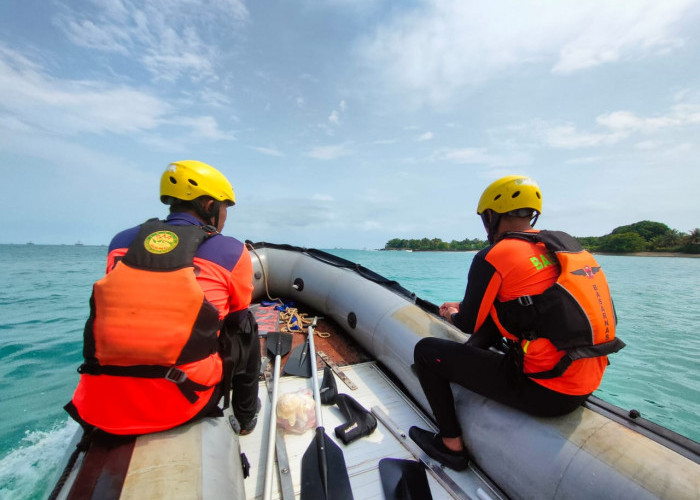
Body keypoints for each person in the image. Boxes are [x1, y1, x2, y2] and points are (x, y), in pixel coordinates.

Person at [409, 175, 624, 471]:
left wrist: (450, 314)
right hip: (587, 381)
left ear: (491, 217)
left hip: (546, 391)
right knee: (496, 326)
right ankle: (462, 367)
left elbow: (468, 323)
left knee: (425, 351)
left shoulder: (494, 255)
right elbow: (538, 304)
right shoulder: (563, 248)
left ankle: (450, 446)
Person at [65, 160, 261, 436]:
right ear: (208, 206)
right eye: (224, 206)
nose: (226, 215)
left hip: (99, 403)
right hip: (184, 400)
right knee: (247, 325)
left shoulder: (121, 241)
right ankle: (246, 416)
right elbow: (237, 314)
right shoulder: (230, 250)